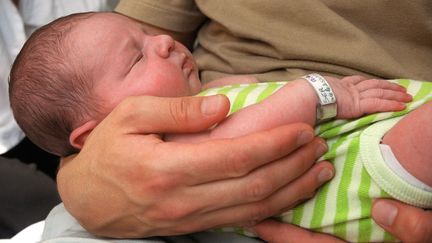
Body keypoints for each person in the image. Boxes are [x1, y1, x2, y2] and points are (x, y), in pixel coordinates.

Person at [8, 12, 431, 242]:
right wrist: (316, 93)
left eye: (144, 34)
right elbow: (235, 145)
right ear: (94, 134)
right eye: (137, 57)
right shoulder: (172, 141)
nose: (164, 42)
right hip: (357, 166)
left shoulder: (196, 95)